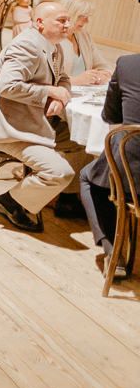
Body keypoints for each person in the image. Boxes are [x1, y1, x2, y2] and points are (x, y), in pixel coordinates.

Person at [0, 2, 92, 232]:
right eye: (61, 21)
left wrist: (59, 97)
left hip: (33, 119)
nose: (67, 25)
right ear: (40, 23)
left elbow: (63, 79)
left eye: (67, 20)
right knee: (60, 172)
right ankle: (11, 202)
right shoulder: (27, 46)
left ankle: (68, 200)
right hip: (10, 127)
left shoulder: (55, 46)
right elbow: (7, 86)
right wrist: (49, 92)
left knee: (85, 143)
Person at [80, 54, 140, 269]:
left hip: (135, 177)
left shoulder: (129, 64)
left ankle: (115, 254)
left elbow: (111, 115)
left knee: (90, 177)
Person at [56, 0, 110, 86]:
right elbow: (46, 82)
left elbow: (103, 66)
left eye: (88, 16)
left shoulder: (83, 35)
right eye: (83, 16)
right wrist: (76, 80)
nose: (87, 21)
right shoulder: (52, 39)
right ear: (69, 14)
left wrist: (102, 76)